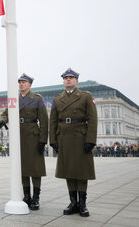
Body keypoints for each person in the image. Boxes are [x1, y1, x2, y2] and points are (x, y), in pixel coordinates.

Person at [49, 68, 97, 217]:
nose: (68, 80)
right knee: (68, 171)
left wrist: (90, 140)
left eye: (71, 78)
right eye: (66, 78)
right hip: (64, 138)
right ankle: (73, 202)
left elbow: (93, 119)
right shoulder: (57, 99)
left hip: (80, 138)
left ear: (76, 81)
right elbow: (53, 121)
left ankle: (82, 204)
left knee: (82, 172)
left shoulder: (85, 97)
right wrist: (53, 140)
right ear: (63, 81)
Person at [0, 74, 48, 210]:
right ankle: (26, 196)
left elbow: (44, 121)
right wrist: (2, 119)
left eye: (24, 82)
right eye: (19, 82)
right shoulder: (14, 99)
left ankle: (36, 198)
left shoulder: (37, 99)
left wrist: (43, 140)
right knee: (22, 168)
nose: (21, 84)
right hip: (19, 136)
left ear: (30, 85)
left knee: (36, 169)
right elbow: (6, 113)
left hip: (33, 135)